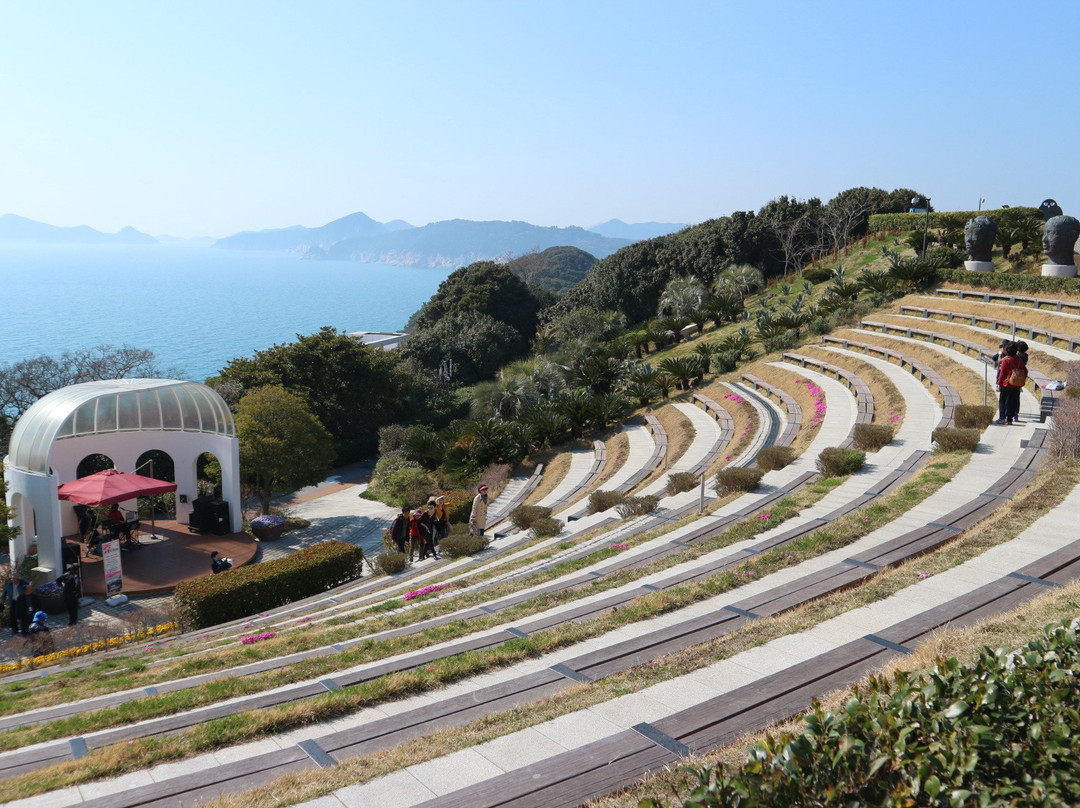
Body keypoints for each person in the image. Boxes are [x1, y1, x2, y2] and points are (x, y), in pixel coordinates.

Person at [996, 344, 1023, 425]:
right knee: (1012, 402)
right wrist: (1020, 380)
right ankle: (1009, 420)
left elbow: (1002, 374)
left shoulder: (1006, 361)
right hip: (1016, 385)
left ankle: (1002, 418)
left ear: (1007, 351)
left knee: (1002, 401)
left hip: (1006, 384)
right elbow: (1025, 370)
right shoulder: (1019, 360)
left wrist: (999, 384)